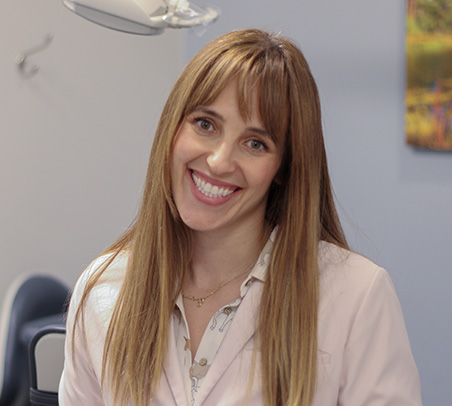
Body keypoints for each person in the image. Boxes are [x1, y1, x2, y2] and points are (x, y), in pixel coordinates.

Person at [59, 29, 421, 406]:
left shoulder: (356, 296)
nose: (219, 161)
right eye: (205, 124)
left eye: (255, 143)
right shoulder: (102, 290)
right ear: (172, 128)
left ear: (283, 167)